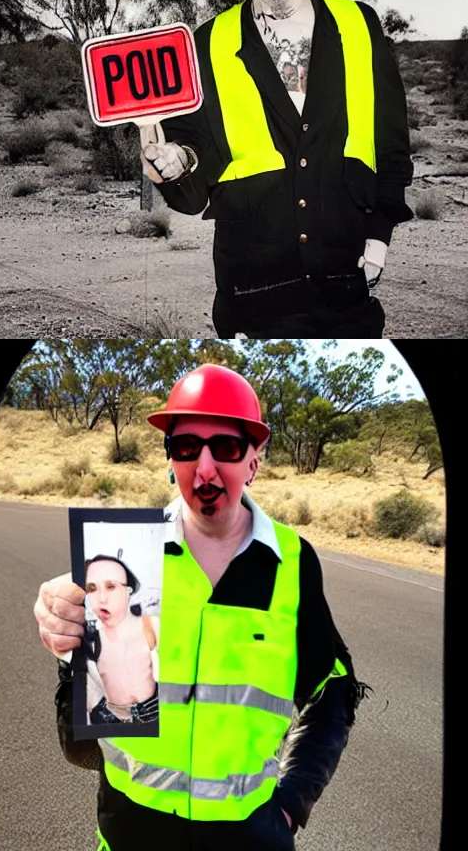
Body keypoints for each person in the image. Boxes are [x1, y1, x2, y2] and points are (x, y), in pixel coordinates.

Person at [34, 363, 366, 849]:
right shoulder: (122, 553)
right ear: (169, 458)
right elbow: (81, 741)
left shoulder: (292, 564)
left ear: (253, 460)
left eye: (226, 447)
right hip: (130, 834)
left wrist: (294, 803)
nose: (204, 468)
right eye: (187, 446)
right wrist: (67, 645)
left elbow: (333, 689)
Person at [141, 0, 411, 338]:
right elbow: (193, 155)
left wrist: (379, 237)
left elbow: (390, 139)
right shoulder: (208, 43)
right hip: (252, 294)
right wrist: (174, 161)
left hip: (345, 284)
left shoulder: (357, 25)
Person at [81, 553, 158, 727]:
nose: (101, 598)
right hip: (114, 720)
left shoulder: (150, 626)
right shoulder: (90, 642)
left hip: (155, 714)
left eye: (111, 586)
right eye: (92, 589)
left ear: (129, 590)